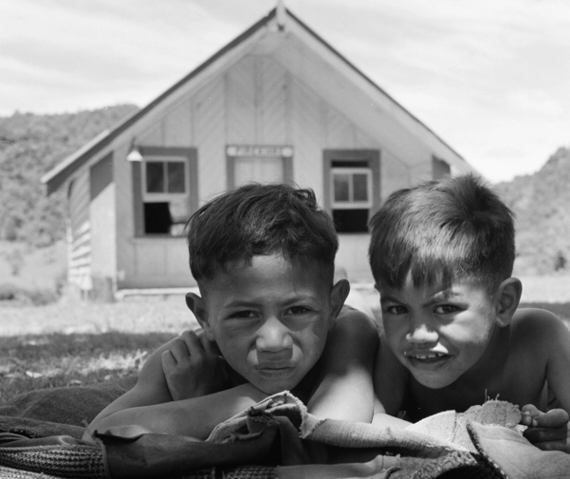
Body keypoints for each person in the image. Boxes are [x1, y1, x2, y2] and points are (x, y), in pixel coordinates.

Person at [84, 184, 377, 444]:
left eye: (297, 310)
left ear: (333, 307)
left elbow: (335, 433)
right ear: (203, 317)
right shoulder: (186, 360)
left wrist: (211, 402)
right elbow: (98, 434)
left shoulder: (350, 330)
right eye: (245, 315)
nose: (273, 342)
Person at [368, 174, 570, 456]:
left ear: (502, 304)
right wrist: (454, 440)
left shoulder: (537, 336)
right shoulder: (393, 348)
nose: (417, 333)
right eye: (397, 308)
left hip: (541, 368)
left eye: (444, 308)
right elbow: (369, 420)